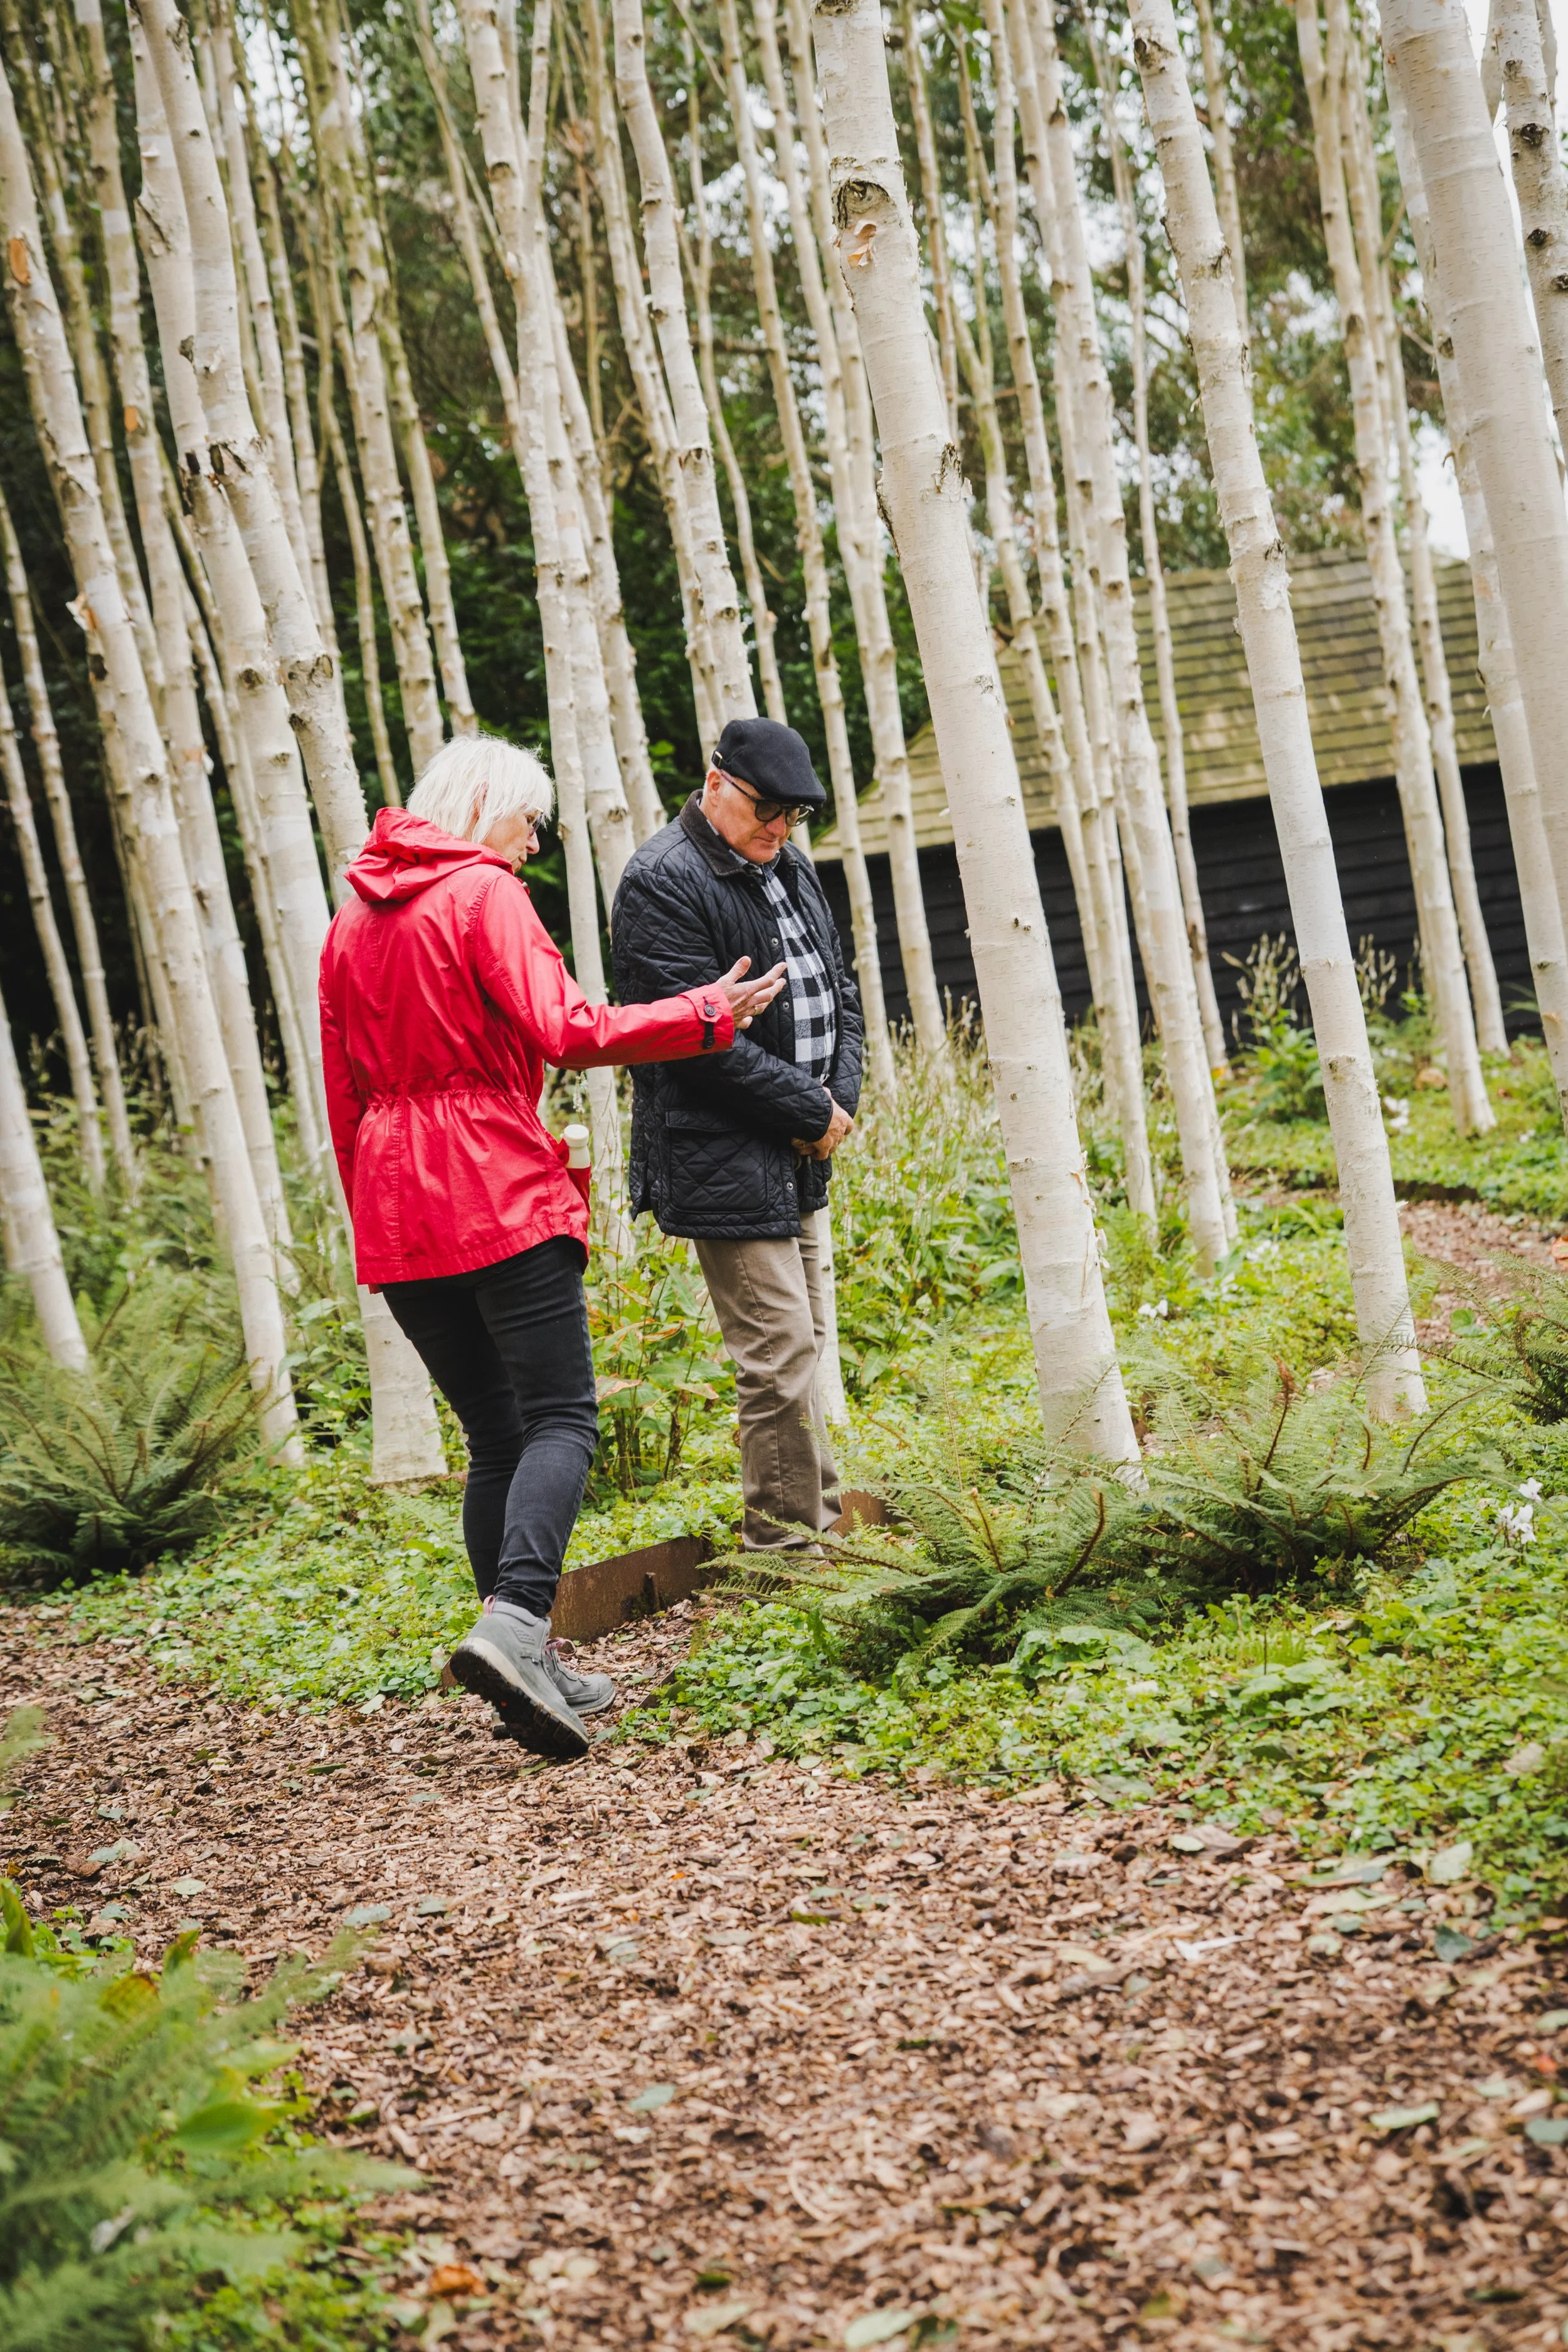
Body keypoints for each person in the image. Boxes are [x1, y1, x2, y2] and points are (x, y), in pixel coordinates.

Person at [319, 737, 784, 1760]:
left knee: (494, 1431)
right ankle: (517, 1621)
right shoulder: (482, 896)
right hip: (489, 1182)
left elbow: (343, 1092)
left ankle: (522, 1656)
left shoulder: (350, 918)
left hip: (397, 1202)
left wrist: (376, 1217)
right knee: (562, 1415)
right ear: (483, 806)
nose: (530, 846)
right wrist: (708, 1012)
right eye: (528, 822)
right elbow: (568, 1028)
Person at [612, 717, 863, 1552]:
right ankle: (787, 1556)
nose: (780, 829)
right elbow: (693, 1047)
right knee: (779, 1351)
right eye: (766, 810)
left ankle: (818, 1530)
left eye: (794, 815)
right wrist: (811, 1110)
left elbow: (841, 983)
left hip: (800, 1146)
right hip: (721, 1155)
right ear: (716, 783)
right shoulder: (659, 882)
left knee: (807, 1347)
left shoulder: (786, 859)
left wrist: (838, 1098)